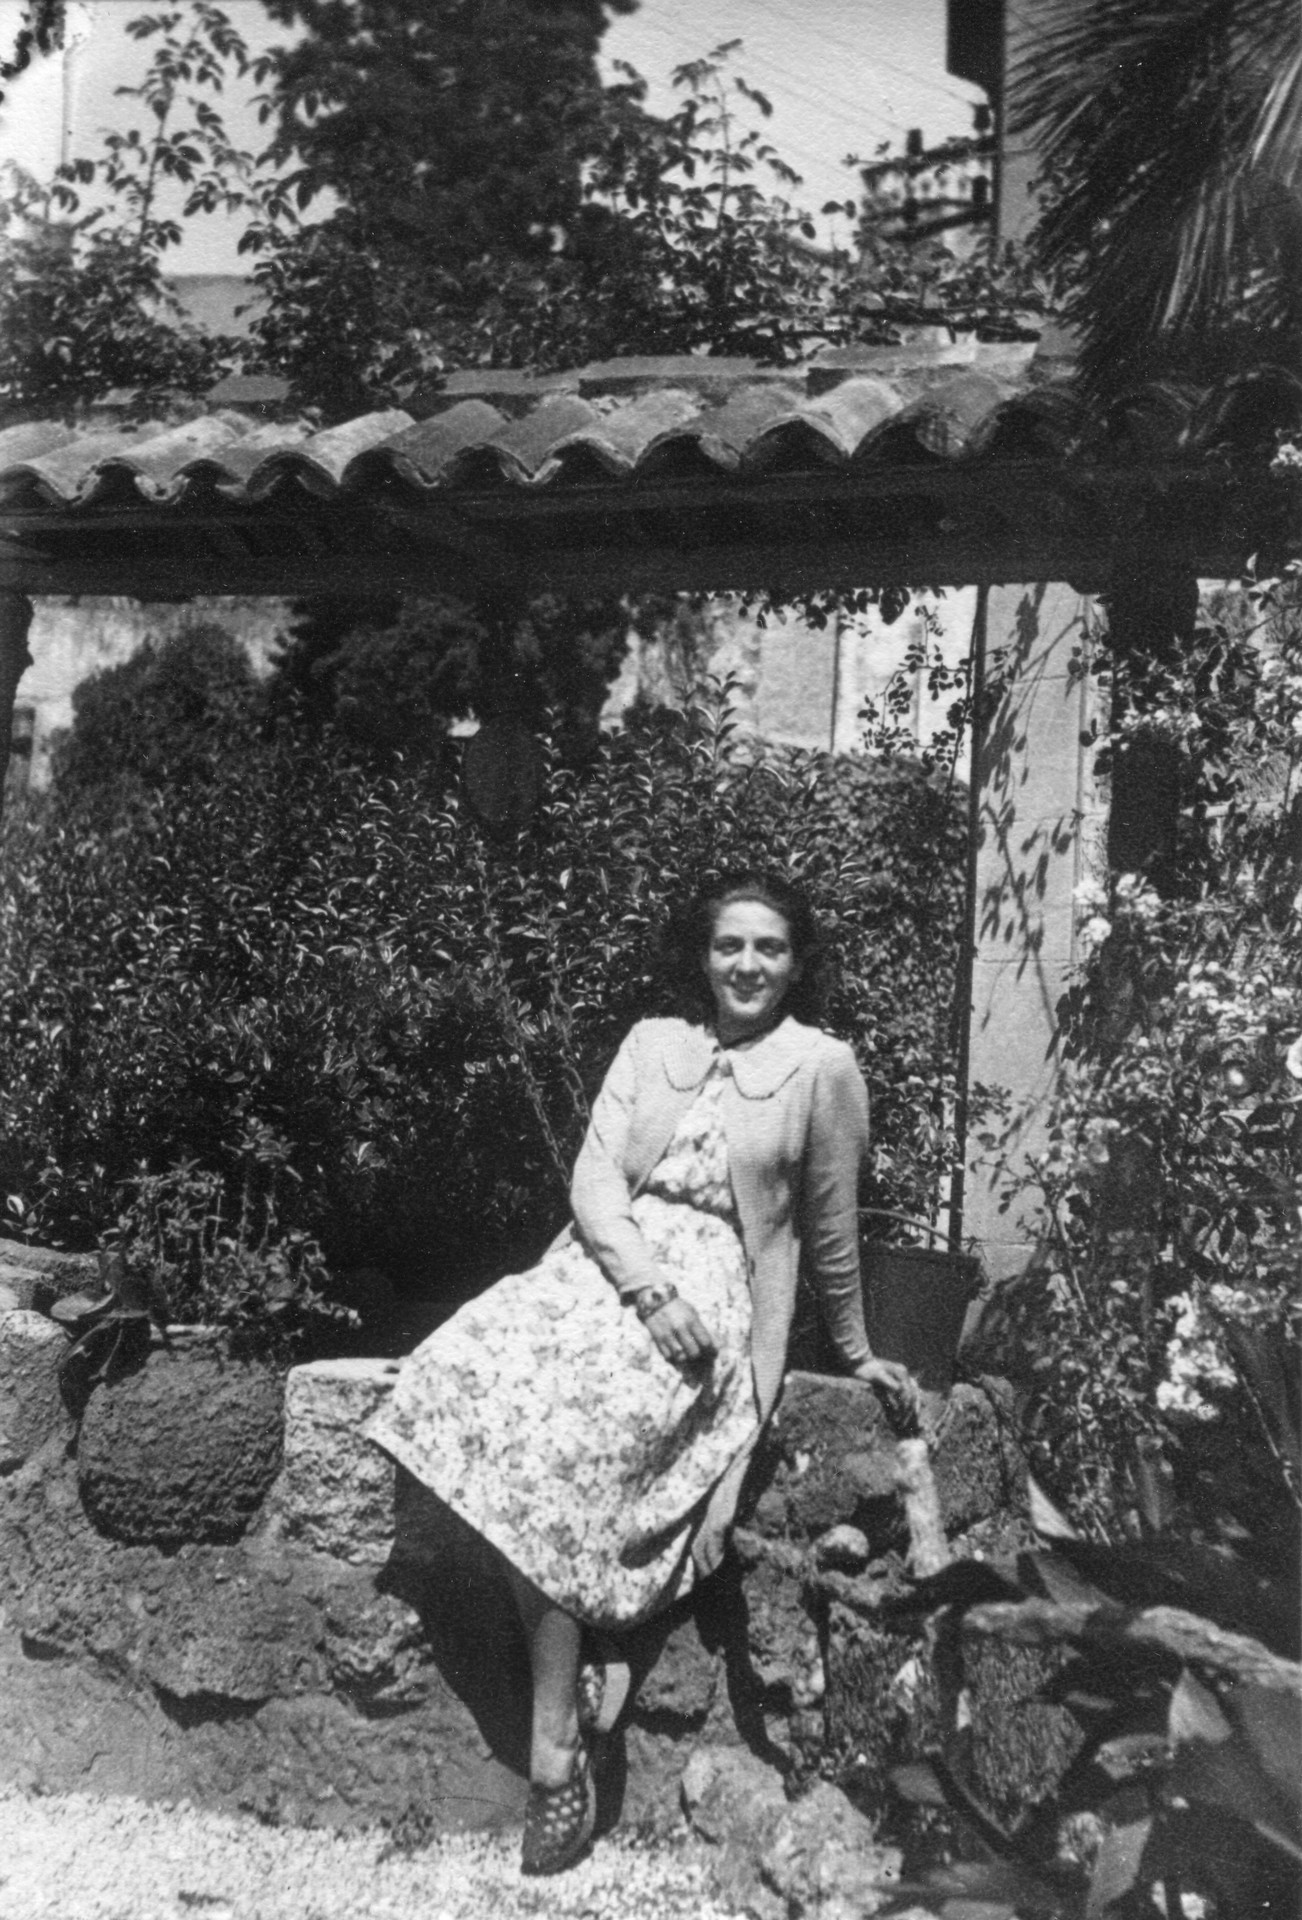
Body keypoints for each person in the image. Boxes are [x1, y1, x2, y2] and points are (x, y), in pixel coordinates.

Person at [365, 870, 918, 1875]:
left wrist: (854, 1348)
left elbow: (830, 1229)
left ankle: (555, 1752)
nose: (747, 964)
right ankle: (586, 1656)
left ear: (798, 962)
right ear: (702, 956)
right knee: (454, 1369)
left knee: (570, 1448)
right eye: (729, 945)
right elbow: (594, 1179)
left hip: (713, 1303)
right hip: (607, 1273)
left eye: (769, 947)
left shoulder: (821, 1068)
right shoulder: (653, 1042)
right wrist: (645, 1288)